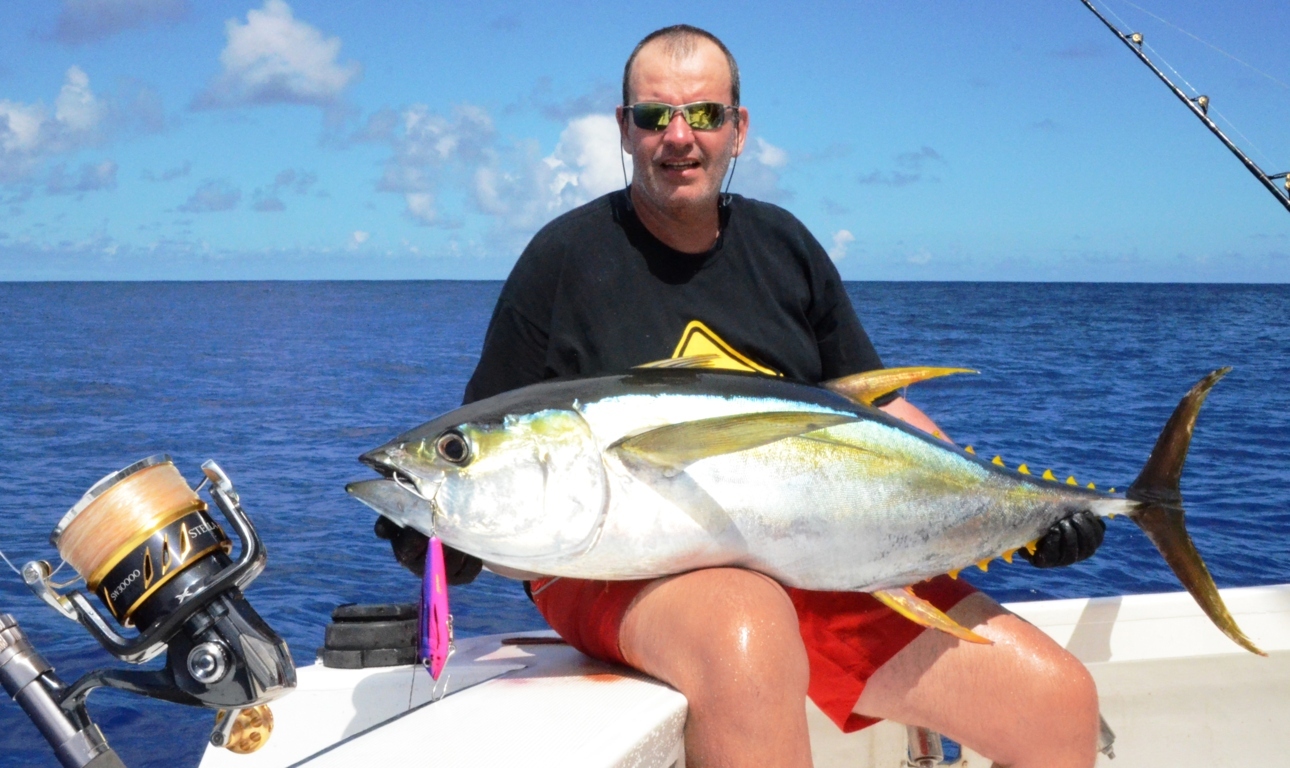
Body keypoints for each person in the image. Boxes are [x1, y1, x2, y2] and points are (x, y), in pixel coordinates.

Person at [376, 24, 1107, 768]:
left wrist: (1014, 508)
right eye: (655, 115)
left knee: (1056, 705)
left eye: (706, 114)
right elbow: (489, 437)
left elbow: (876, 414)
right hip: (604, 570)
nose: (680, 137)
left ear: (739, 129)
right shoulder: (562, 261)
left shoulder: (784, 246)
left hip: (805, 552)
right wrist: (443, 532)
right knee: (745, 625)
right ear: (624, 130)